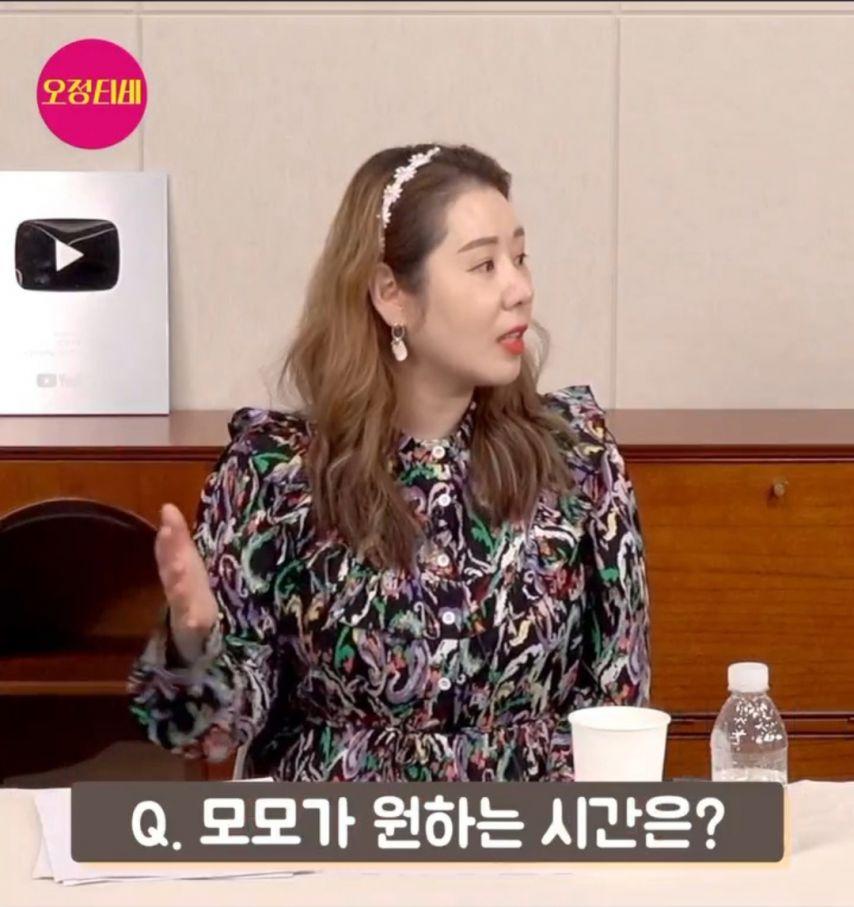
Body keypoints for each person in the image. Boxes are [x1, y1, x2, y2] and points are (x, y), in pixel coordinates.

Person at [127, 142, 651, 782]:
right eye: (484, 265)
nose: (520, 289)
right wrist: (193, 639)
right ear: (391, 293)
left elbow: (621, 703)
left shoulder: (577, 457)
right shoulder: (279, 472)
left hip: (530, 833)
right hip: (336, 833)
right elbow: (201, 733)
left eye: (520, 257)